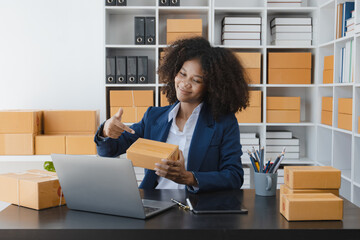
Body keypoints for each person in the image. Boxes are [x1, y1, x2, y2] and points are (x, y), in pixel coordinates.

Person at [94, 37, 249, 193]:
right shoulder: (153, 117)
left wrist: (189, 178)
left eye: (196, 80)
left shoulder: (223, 123)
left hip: (198, 208)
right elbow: (108, 151)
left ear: (211, 87)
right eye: (182, 74)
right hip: (154, 204)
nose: (184, 83)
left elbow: (234, 176)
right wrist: (106, 132)